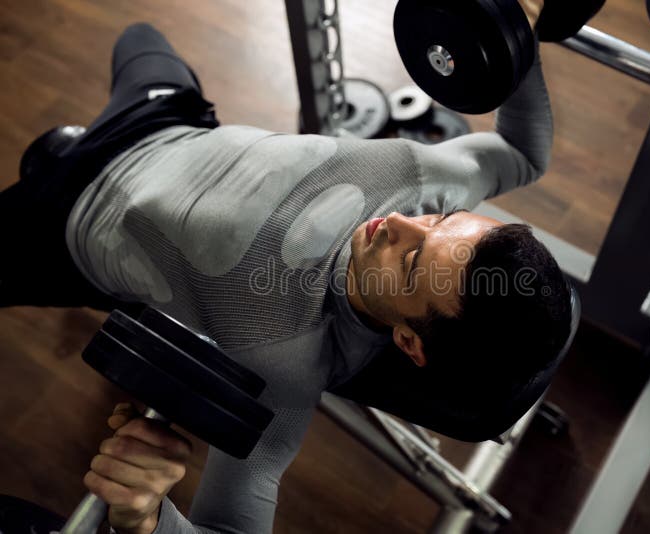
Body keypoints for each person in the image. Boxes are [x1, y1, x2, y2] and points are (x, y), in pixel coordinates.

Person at [0, 1, 600, 532]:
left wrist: (148, 519)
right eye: (443, 223)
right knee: (138, 34)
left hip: (63, 222)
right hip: (165, 121)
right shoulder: (436, 182)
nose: (402, 223)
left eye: (412, 261)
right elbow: (526, 152)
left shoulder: (282, 367)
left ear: (410, 341)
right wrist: (512, 22)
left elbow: (232, 527)